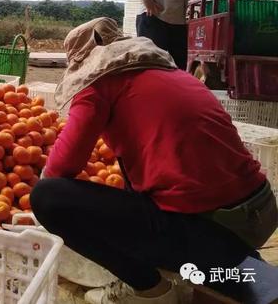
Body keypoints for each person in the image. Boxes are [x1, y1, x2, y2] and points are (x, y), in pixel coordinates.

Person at [31, 18, 277, 304]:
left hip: (212, 231)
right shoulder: (170, 74)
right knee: (129, 188)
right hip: (260, 213)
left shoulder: (98, 85)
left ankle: (150, 290)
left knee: (48, 198)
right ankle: (223, 263)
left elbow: (60, 168)